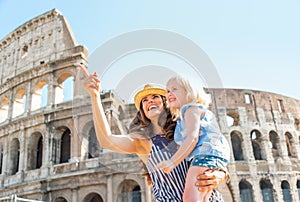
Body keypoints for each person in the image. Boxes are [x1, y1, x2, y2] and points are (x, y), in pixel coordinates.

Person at [79, 65, 227, 201]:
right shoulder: (142, 142)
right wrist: (95, 96)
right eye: (145, 101)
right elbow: (107, 140)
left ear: (166, 102)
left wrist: (221, 175)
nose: (150, 101)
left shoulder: (186, 129)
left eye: (155, 97)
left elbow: (213, 151)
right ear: (143, 111)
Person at [157, 75, 230, 202]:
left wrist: (172, 162)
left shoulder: (191, 110)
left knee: (190, 198)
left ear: (189, 92)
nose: (169, 94)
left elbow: (192, 138)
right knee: (201, 197)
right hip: (210, 156)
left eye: (174, 89)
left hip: (204, 156)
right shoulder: (188, 113)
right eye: (167, 91)